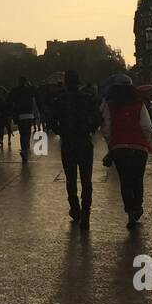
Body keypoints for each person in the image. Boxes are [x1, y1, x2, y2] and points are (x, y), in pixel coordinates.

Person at [100, 74, 152, 229]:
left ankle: (130, 210)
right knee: (138, 179)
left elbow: (106, 128)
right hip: (139, 148)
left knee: (125, 181)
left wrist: (112, 144)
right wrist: (144, 142)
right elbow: (146, 127)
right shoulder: (139, 104)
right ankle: (138, 206)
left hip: (119, 148)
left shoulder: (109, 104)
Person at [51, 71, 100, 229]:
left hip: (68, 142)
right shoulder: (87, 99)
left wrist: (60, 131)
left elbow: (51, 120)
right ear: (79, 83)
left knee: (70, 178)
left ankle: (75, 208)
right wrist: (90, 129)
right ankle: (86, 212)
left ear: (65, 83)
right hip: (84, 141)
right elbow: (99, 118)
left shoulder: (60, 100)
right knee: (86, 180)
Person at [7, 75, 38, 163]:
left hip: (20, 115)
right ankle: (26, 147)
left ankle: (23, 149)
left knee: (22, 133)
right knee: (27, 133)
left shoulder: (15, 90)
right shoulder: (30, 90)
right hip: (29, 114)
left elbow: (9, 101)